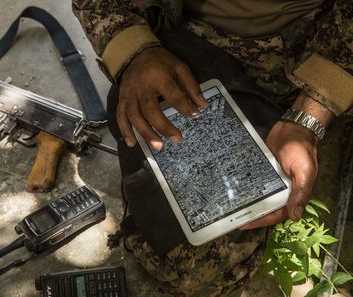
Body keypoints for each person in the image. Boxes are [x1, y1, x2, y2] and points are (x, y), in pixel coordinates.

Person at [72, 0, 353, 296]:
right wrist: (134, 50)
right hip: (182, 41)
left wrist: (311, 114)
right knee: (185, 263)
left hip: (315, 40)